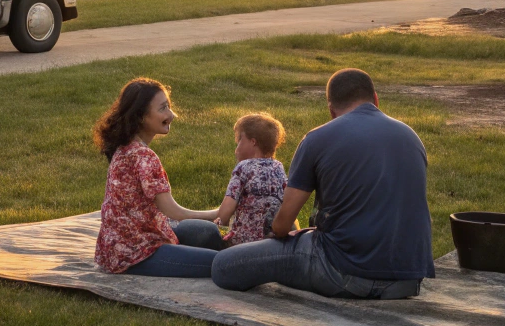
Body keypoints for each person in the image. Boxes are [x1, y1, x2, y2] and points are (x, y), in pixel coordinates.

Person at [210, 69, 434, 298]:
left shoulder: (317, 139)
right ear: (375, 99)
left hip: (341, 272)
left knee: (223, 266)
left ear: (331, 109)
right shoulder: (411, 137)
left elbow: (282, 225)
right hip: (406, 280)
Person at [92, 78, 226, 277]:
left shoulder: (125, 147)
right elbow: (174, 212)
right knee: (227, 263)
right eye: (163, 108)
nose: (171, 115)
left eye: (169, 107)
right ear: (140, 117)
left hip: (119, 247)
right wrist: (219, 213)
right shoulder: (144, 156)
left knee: (205, 232)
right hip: (137, 254)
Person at [212, 113, 290, 245]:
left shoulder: (243, 168)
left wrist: (218, 228)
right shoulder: (279, 168)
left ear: (253, 142)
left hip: (242, 245)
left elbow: (223, 215)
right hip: (271, 244)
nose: (236, 149)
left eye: (239, 141)